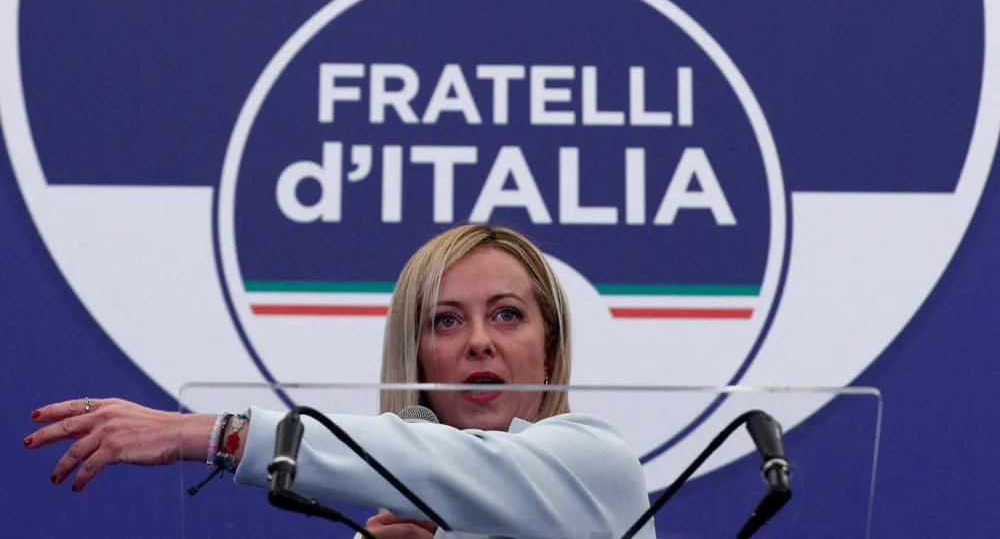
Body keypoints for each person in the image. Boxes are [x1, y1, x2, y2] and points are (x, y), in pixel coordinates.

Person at [24, 224, 656, 539]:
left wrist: (209, 432)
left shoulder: (598, 467)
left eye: (508, 314)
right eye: (446, 321)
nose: (479, 341)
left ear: (552, 349)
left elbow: (446, 467)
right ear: (419, 360)